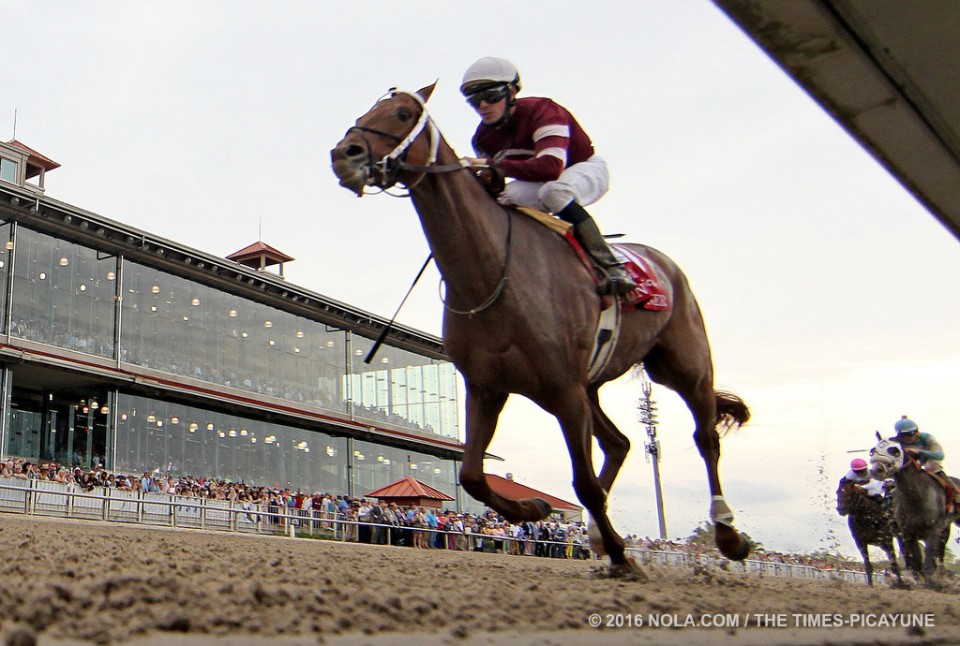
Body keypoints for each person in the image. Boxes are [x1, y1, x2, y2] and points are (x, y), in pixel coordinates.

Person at [459, 56, 638, 296]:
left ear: (512, 92)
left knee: (554, 192)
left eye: (491, 96)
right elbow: (498, 182)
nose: (482, 106)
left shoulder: (542, 110)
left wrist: (491, 165)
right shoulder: (482, 138)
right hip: (541, 179)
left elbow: (551, 167)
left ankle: (612, 265)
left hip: (583, 168)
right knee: (505, 199)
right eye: (474, 100)